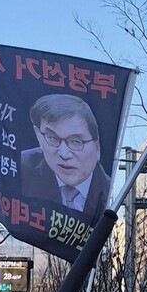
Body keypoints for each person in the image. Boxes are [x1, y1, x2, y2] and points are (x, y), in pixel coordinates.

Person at [19, 93, 111, 222]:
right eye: (52, 138)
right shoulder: (20, 170)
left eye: (76, 141)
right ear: (39, 136)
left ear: (97, 147)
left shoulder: (112, 195)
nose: (64, 154)